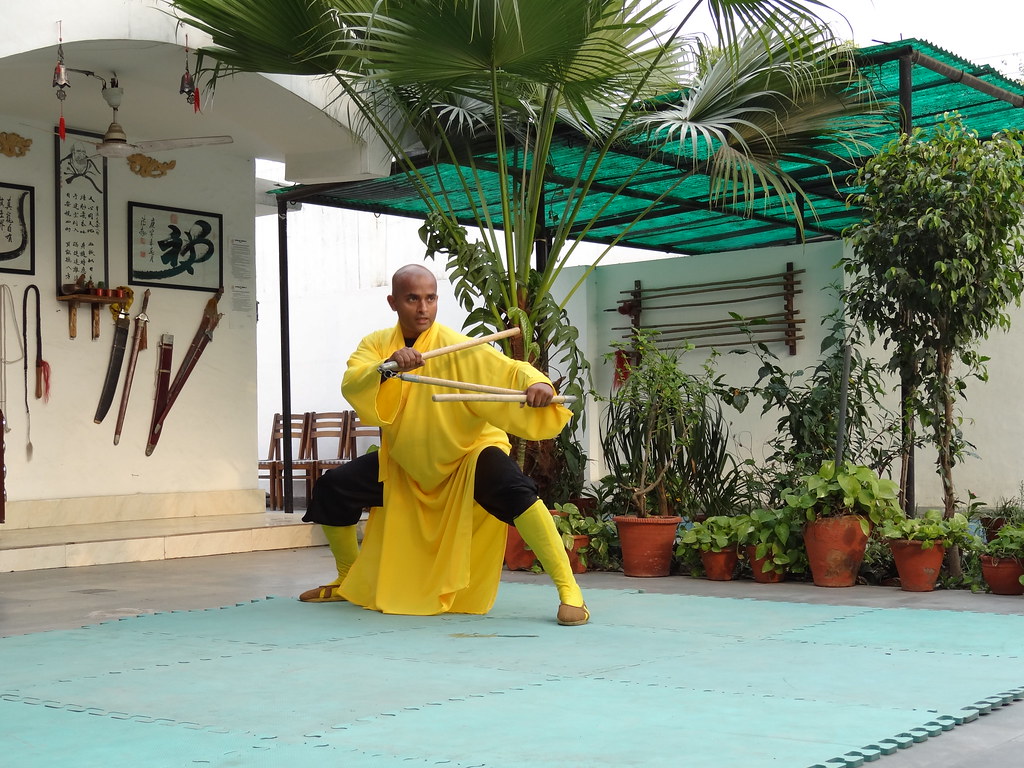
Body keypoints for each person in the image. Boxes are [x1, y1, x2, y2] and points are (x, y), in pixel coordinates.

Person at [300, 264, 589, 626]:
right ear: (393, 302)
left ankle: (570, 592)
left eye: (431, 298)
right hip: (406, 462)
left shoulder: (457, 346)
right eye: (412, 299)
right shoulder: (376, 345)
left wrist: (538, 384)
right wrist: (388, 367)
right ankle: (346, 578)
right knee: (334, 487)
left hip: (467, 454)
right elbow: (354, 381)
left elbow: (509, 369)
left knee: (516, 492)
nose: (423, 308)